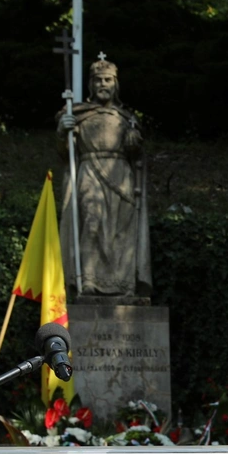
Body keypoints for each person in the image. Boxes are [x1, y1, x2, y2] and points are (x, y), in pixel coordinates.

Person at [56, 56, 151, 298]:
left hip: (120, 175)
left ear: (115, 84)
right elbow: (66, 153)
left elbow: (137, 156)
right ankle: (88, 280)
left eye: (108, 80)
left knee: (122, 230)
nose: (103, 84)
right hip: (90, 171)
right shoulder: (80, 114)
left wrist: (134, 142)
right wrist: (63, 131)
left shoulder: (126, 118)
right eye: (98, 80)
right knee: (91, 221)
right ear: (91, 84)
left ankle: (124, 284)